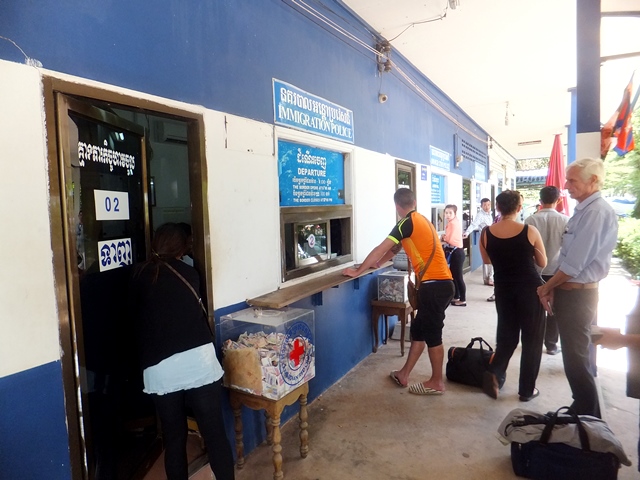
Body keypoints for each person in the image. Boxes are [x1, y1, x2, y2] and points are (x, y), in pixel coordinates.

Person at [130, 223, 235, 480]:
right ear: (182, 248)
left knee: (174, 438)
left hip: (160, 368)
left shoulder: (137, 275)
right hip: (198, 361)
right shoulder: (190, 273)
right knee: (215, 435)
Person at [343, 188, 454, 395]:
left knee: (433, 334)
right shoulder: (422, 221)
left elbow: (381, 248)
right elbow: (393, 250)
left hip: (434, 286)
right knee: (419, 330)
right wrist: (376, 264)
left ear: (397, 206)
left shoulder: (406, 223)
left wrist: (358, 271)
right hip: (441, 285)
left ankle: (437, 382)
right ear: (414, 202)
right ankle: (404, 374)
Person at [537, 157, 618, 418]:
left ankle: (588, 416)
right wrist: (553, 287)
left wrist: (546, 286)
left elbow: (574, 263)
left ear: (593, 180)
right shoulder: (584, 210)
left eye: (572, 181)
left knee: (577, 358)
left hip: (578, 295)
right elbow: (566, 257)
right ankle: (583, 410)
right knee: (573, 358)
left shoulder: (596, 212)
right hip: (570, 291)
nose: (566, 186)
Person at [479, 190, 547, 401]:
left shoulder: (486, 233)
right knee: (532, 340)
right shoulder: (529, 231)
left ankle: (495, 373)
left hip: (503, 289)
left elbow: (487, 260)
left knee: (507, 336)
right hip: (530, 290)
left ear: (497, 208)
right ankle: (527, 390)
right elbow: (543, 262)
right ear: (519, 208)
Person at [524, 186, 569, 355]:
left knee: (534, 309)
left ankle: (532, 342)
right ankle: (551, 345)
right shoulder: (566, 220)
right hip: (557, 272)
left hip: (535, 271)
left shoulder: (530, 220)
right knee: (553, 309)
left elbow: (526, 248)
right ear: (558, 200)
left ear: (540, 200)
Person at [463, 197, 494, 286]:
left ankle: (489, 278)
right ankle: (489, 279)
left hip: (490, 238)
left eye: (488, 205)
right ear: (481, 206)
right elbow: (474, 224)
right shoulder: (480, 215)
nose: (487, 207)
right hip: (485, 239)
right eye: (485, 205)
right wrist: (467, 232)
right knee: (488, 258)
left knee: (490, 258)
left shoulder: (490, 214)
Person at [441, 204, 466, 306]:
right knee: (454, 276)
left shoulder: (452, 224)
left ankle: (462, 299)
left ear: (455, 213)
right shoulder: (454, 222)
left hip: (457, 252)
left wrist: (444, 237)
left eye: (450, 213)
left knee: (458, 277)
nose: (448, 215)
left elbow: (450, 239)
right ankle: (456, 296)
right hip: (456, 252)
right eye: (446, 213)